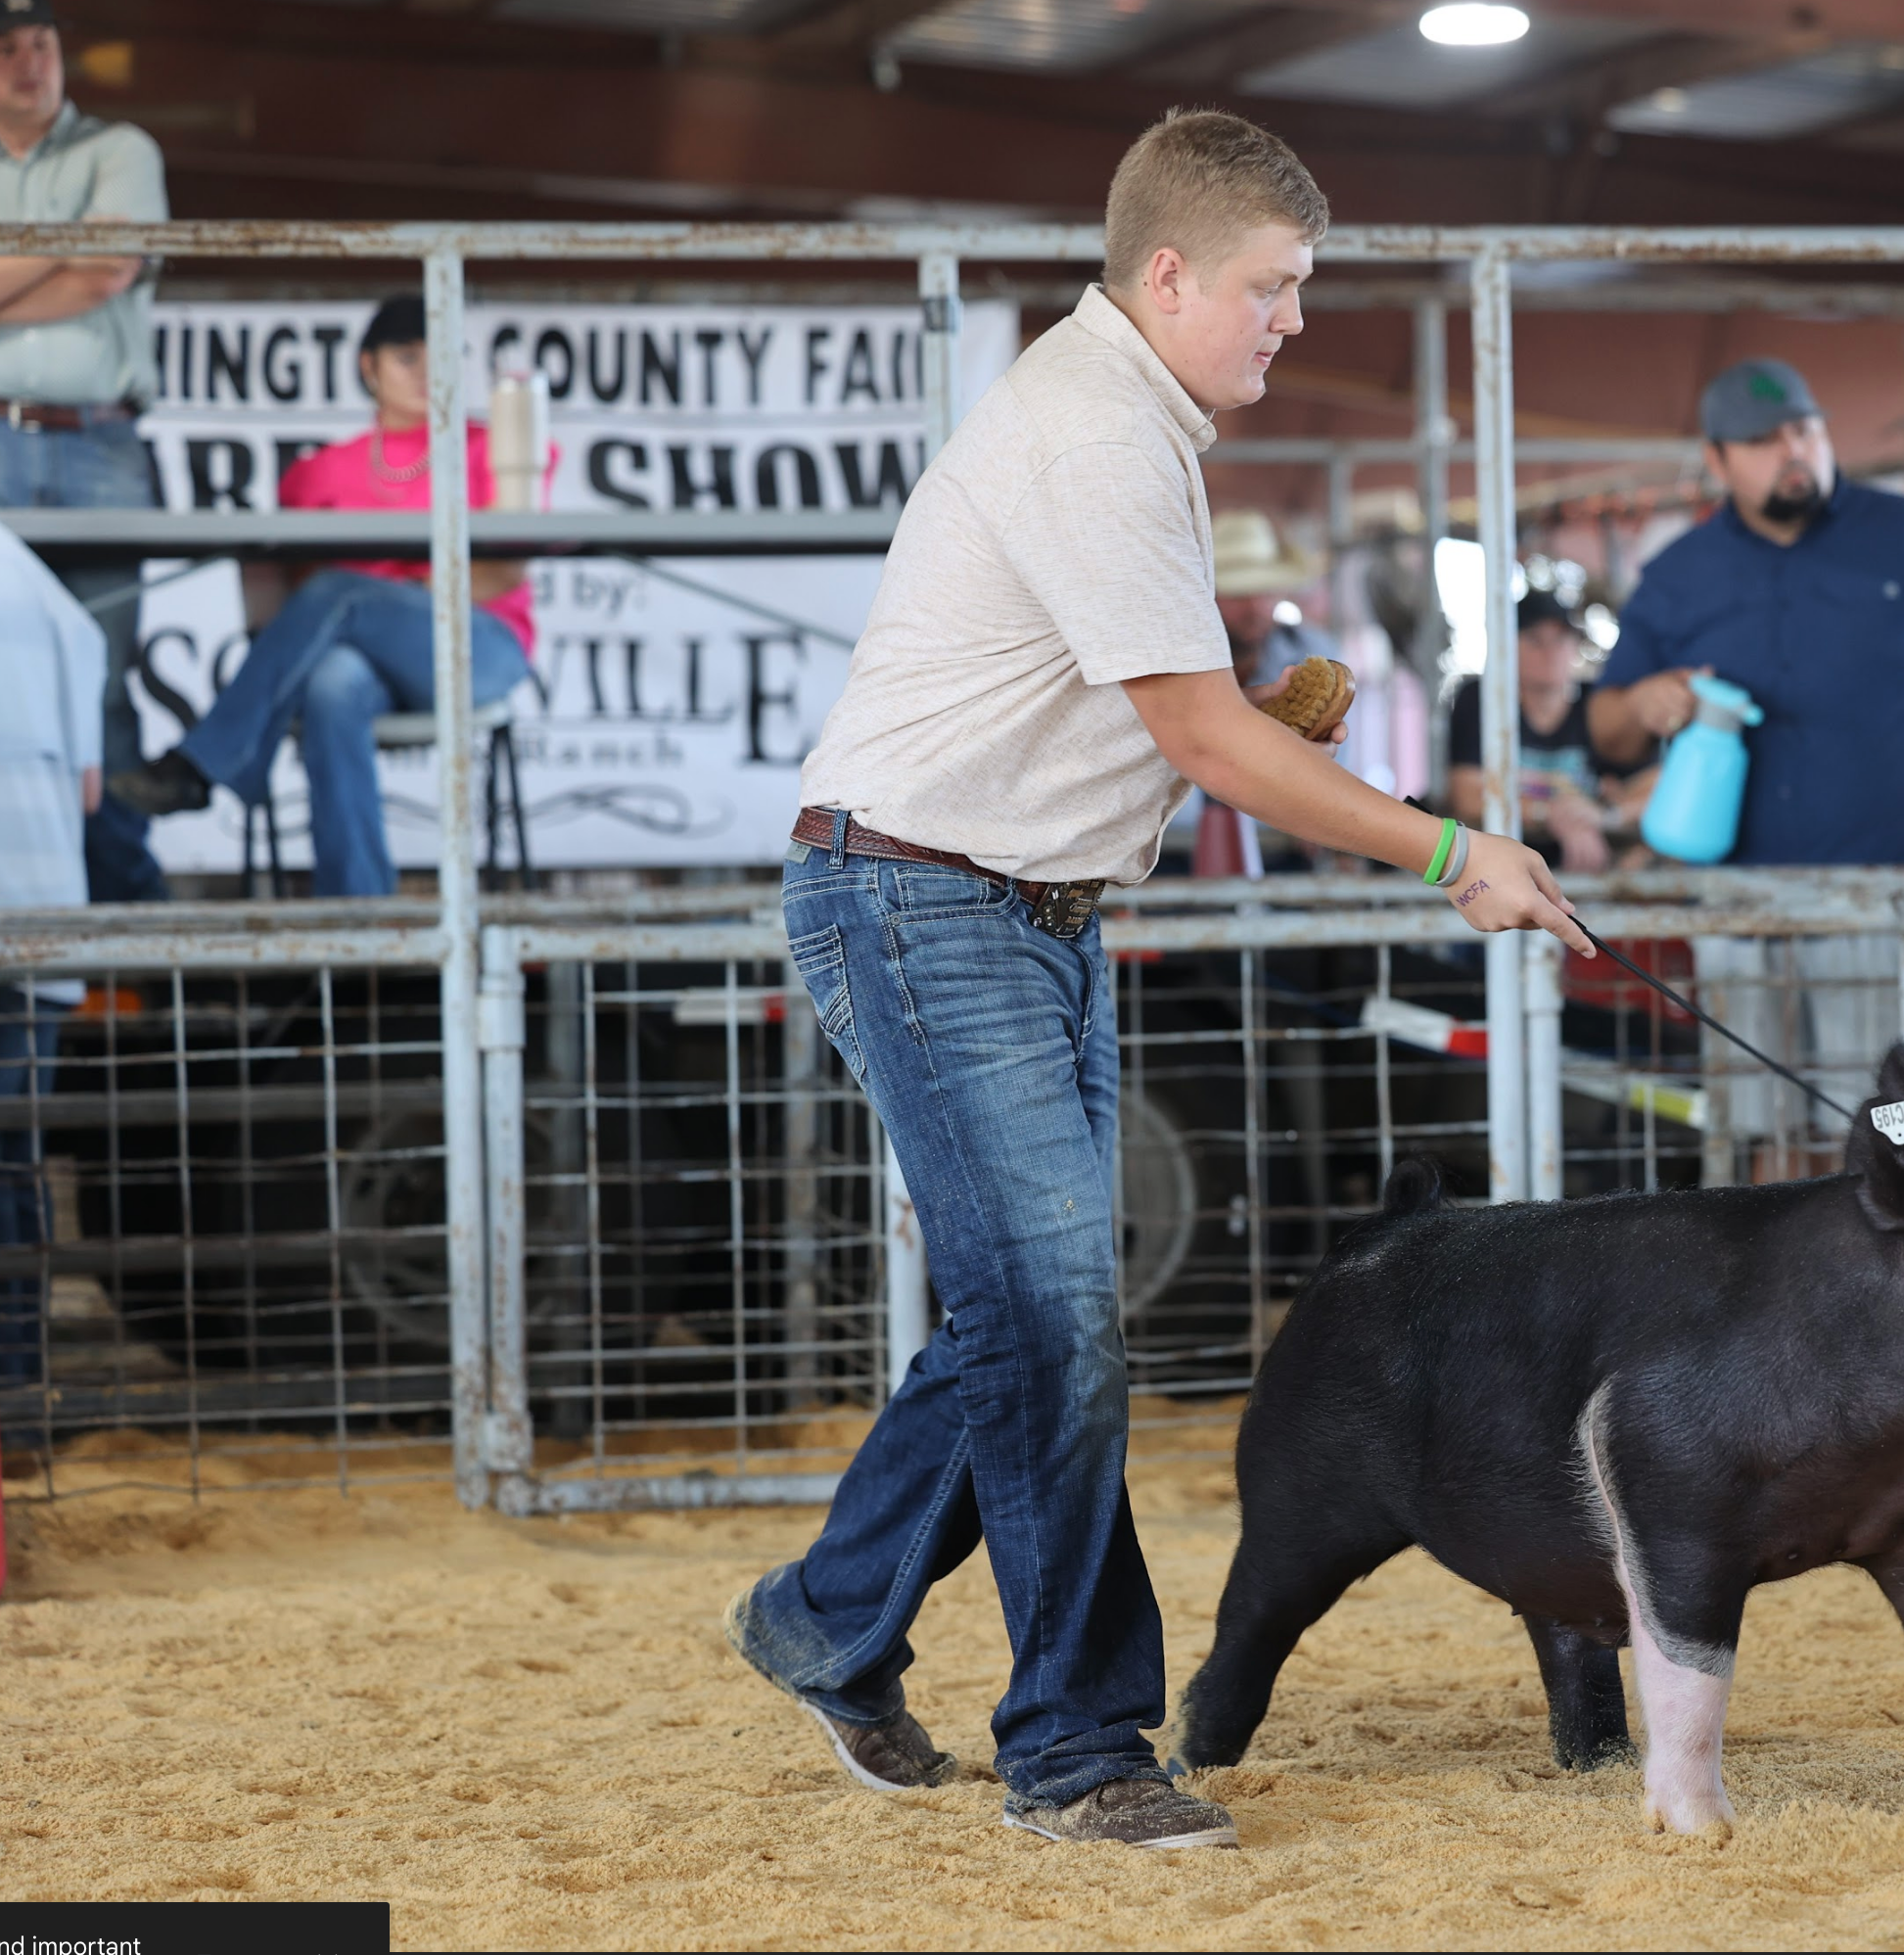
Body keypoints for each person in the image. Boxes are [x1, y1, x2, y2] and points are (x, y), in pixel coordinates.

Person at [720, 109, 1588, 1852]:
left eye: (1301, 289)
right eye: (1272, 286)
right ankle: (1079, 1739)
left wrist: (1258, 728)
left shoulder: (1131, 425)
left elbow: (1158, 716)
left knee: (1018, 1318)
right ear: (1171, 272)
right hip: (931, 894)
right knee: (1053, 1322)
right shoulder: (1102, 428)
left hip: (1009, 903)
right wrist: (1448, 846)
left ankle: (820, 1623)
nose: (1290, 318)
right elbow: (1197, 735)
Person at [1584, 356, 1904, 1177]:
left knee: (1894, 1134)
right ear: (1716, 462)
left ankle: (1896, 1305)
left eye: (1804, 429)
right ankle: (1789, 1304)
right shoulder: (1678, 576)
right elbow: (1608, 729)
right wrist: (1643, 700)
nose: (1792, 451)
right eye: (1761, 441)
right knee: (1763, 1134)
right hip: (1740, 906)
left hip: (1889, 900)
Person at [104, 296, 537, 897]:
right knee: (332, 680)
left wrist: (385, 596)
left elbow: (503, 572)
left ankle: (207, 762)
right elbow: (295, 594)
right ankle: (364, 924)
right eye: (407, 357)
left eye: (442, 356)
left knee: (344, 597)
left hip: (479, 648)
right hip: (375, 666)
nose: (427, 372)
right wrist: (384, 596)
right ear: (369, 367)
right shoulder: (319, 472)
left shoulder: (494, 446)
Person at [0, 0, 165, 902]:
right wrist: (65, 259)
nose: (31, 61)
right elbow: (89, 262)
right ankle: (34, 924)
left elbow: (111, 267)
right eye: (8, 46)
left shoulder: (121, 147)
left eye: (44, 41)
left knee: (98, 691)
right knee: (5, 693)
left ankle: (141, 935)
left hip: (97, 435)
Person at [0, 519, 100, 1435]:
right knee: (13, 1161)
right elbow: (91, 790)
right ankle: (21, 1405)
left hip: (27, 911)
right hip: (38, 907)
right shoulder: (32, 578)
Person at [1447, 588, 1649, 874]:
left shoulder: (1599, 705)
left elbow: (1653, 786)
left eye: (1561, 639)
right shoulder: (1480, 700)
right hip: (1498, 868)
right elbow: (1466, 796)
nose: (1551, 652)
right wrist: (1548, 814)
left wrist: (1605, 816)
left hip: (1591, 864)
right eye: (1535, 640)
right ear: (1507, 646)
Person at [1188, 508, 1333, 875]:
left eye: (1264, 590)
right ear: (1204, 595)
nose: (1254, 607)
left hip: (1283, 853)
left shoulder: (1315, 657)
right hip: (1170, 854)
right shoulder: (1165, 662)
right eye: (1237, 593)